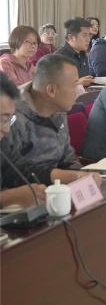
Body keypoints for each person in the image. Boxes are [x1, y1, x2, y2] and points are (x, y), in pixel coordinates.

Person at [0, 55, 99, 186]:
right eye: (74, 85)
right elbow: (12, 171)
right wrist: (71, 176)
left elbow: (67, 158)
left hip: (57, 187)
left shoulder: (58, 108)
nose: (77, 92)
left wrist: (83, 178)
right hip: (26, 191)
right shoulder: (10, 115)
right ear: (51, 90)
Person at [0, 73, 46, 208]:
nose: (7, 129)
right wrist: (10, 197)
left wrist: (70, 176)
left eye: (9, 119)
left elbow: (21, 169)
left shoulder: (3, 142)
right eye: (2, 119)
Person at [55, 17, 96, 87]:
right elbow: (56, 87)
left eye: (89, 35)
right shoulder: (59, 57)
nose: (88, 39)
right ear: (71, 37)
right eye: (84, 35)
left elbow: (88, 77)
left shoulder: (83, 54)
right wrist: (78, 83)